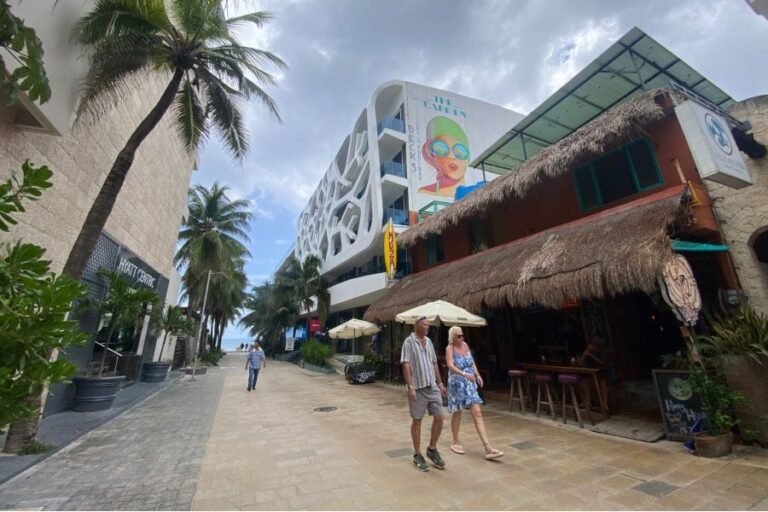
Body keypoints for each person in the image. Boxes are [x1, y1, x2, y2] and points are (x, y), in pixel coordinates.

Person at [445, 326, 504, 460]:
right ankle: (455, 440)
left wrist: (477, 375)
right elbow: (450, 365)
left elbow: (471, 362)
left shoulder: (465, 345)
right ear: (453, 337)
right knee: (457, 411)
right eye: (459, 336)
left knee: (477, 411)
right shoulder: (450, 348)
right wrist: (464, 374)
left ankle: (487, 447)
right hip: (457, 382)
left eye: (462, 335)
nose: (462, 338)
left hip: (469, 382)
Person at [401, 316, 447, 472]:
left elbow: (434, 363)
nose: (428, 327)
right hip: (418, 387)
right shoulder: (408, 342)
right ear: (417, 326)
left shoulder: (429, 341)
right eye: (425, 325)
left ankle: (432, 449)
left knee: (439, 417)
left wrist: (440, 383)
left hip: (431, 385)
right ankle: (417, 454)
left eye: (428, 325)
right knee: (417, 420)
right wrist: (410, 386)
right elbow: (406, 364)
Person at [418, 116, 473, 198]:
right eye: (441, 149)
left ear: (468, 159)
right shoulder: (424, 192)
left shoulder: (476, 193)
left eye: (459, 151)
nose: (451, 156)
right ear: (431, 155)